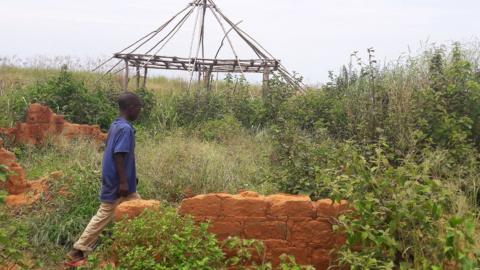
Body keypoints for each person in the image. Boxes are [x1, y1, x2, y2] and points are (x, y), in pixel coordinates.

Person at [66, 92, 143, 265]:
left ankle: (137, 244)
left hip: (119, 182)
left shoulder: (116, 125)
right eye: (139, 109)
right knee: (105, 214)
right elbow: (118, 155)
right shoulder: (125, 129)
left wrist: (130, 179)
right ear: (131, 109)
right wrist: (123, 181)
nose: (140, 112)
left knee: (139, 209)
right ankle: (78, 250)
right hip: (118, 183)